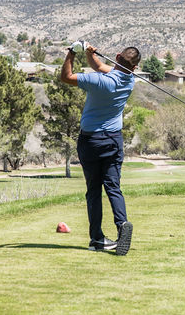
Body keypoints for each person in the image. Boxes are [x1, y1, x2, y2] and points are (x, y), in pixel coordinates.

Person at [60, 42, 140, 255]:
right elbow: (100, 66)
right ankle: (122, 225)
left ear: (116, 57)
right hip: (114, 140)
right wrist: (90, 54)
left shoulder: (98, 81)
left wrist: (72, 52)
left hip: (91, 141)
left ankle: (96, 238)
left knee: (94, 191)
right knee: (113, 187)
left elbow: (66, 77)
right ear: (135, 68)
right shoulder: (129, 80)